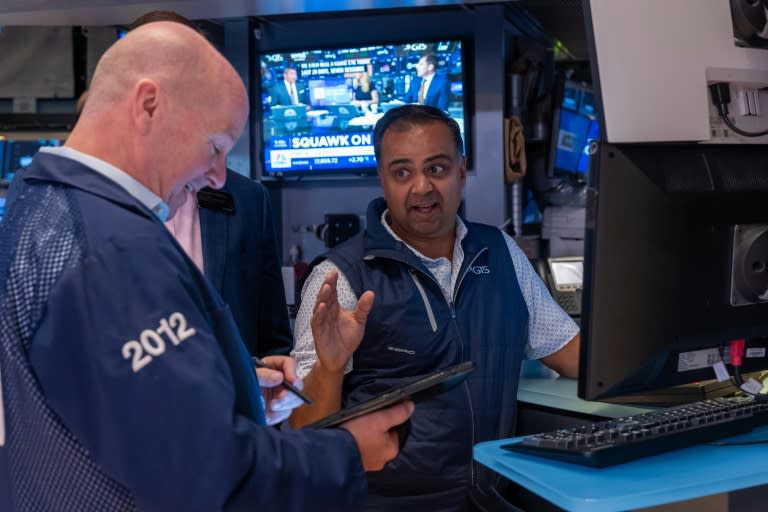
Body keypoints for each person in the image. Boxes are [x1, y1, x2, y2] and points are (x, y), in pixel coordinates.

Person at [0, 22, 413, 511]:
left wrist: (231, 383)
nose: (216, 174)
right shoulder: (117, 248)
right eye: (215, 145)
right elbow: (208, 473)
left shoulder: (34, 202)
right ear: (148, 104)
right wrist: (347, 451)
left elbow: (105, 400)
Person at [290, 104, 580, 511]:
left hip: (488, 498)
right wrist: (330, 367)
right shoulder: (341, 279)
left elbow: (572, 353)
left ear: (462, 171)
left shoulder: (499, 253)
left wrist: (680, 367)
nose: (422, 187)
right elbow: (305, 437)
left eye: (438, 169)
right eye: (402, 172)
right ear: (383, 179)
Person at [128, 9, 294, 364]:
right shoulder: (85, 206)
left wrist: (271, 389)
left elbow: (272, 339)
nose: (216, 174)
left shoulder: (248, 200)